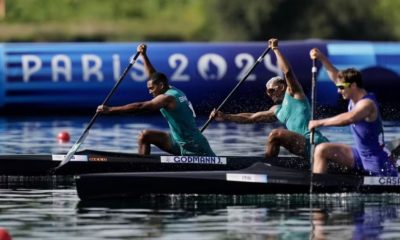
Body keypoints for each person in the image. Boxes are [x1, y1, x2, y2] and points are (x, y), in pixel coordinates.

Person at [210, 38, 328, 159]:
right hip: (304, 146)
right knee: (275, 136)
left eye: (272, 90)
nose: (270, 94)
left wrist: (275, 49)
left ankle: (267, 166)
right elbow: (251, 118)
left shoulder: (293, 92)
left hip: (314, 142)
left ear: (282, 87)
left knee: (275, 135)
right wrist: (225, 116)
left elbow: (287, 72)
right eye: (267, 92)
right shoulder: (277, 110)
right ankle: (271, 165)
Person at [97, 44, 215, 156]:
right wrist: (143, 55)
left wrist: (111, 109)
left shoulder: (168, 98)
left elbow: (141, 107)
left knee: (146, 132)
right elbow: (153, 75)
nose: (150, 92)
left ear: (161, 86)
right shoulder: (170, 88)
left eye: (152, 88)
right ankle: (141, 169)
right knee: (145, 135)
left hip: (194, 146)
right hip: (177, 142)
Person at [308, 48, 397, 176]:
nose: (338, 91)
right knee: (322, 149)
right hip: (360, 156)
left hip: (376, 163)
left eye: (341, 88)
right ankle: (318, 183)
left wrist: (319, 122)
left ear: (353, 85)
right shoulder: (351, 94)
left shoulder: (367, 104)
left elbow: (350, 118)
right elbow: (335, 75)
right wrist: (321, 57)